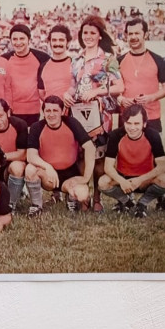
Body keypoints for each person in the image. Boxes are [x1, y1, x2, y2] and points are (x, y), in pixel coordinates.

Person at [63, 15, 124, 213]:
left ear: (99, 36)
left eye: (92, 33)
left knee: (98, 158)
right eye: (85, 33)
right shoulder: (76, 60)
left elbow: (119, 86)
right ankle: (83, 198)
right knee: (81, 156)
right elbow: (73, 86)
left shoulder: (108, 59)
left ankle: (97, 198)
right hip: (79, 114)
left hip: (100, 115)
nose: (88, 36)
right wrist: (67, 95)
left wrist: (97, 92)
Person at [25, 96, 96, 217]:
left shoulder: (72, 123)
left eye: (55, 111)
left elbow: (90, 147)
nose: (51, 114)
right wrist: (48, 167)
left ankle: (71, 198)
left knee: (83, 195)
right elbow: (31, 156)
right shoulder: (37, 127)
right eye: (48, 111)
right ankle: (36, 205)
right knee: (30, 169)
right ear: (43, 112)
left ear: (62, 111)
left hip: (70, 174)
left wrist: (86, 178)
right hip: (48, 177)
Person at [98, 104, 165, 218]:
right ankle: (126, 201)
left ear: (144, 124)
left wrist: (140, 180)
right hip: (124, 178)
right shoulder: (115, 135)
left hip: (145, 179)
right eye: (129, 123)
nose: (132, 127)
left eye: (137, 123)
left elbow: (162, 166)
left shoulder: (153, 135)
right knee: (102, 182)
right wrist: (122, 181)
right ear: (124, 122)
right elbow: (108, 167)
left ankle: (142, 203)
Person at [117, 18, 165, 133]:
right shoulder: (119, 61)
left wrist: (152, 97)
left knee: (152, 150)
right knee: (125, 150)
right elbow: (113, 90)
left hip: (151, 116)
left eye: (137, 33)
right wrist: (121, 99)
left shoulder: (158, 60)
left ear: (145, 35)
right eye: (130, 33)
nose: (133, 37)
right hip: (126, 117)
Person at [2, 24, 50, 126]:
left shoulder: (42, 57)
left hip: (34, 112)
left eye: (22, 38)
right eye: (15, 39)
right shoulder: (4, 59)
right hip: (12, 111)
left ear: (29, 39)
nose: (18, 42)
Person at [37, 24, 75, 105]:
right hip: (51, 114)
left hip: (72, 112)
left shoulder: (75, 64)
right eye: (54, 40)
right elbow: (42, 93)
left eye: (61, 40)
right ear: (49, 42)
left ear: (67, 42)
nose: (57, 43)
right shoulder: (43, 66)